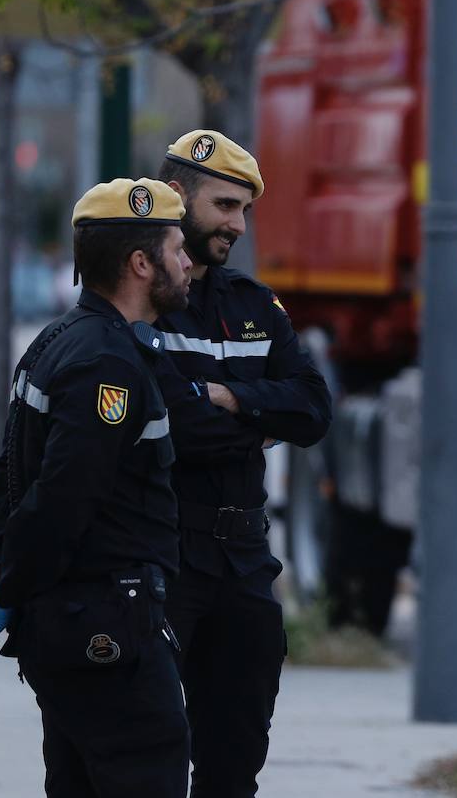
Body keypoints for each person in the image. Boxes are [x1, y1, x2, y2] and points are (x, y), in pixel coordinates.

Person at [0, 178, 194, 798]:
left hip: (76, 628)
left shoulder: (59, 341)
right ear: (141, 264)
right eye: (176, 249)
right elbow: (61, 496)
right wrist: (5, 582)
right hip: (108, 626)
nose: (188, 263)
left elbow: (8, 475)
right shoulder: (108, 365)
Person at [153, 129, 332, 797]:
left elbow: (313, 409)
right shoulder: (142, 302)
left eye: (244, 211)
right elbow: (170, 425)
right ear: (178, 197)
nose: (238, 224)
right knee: (148, 754)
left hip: (245, 559)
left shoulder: (256, 306)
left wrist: (225, 396)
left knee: (236, 762)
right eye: (225, 205)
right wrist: (258, 420)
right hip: (166, 550)